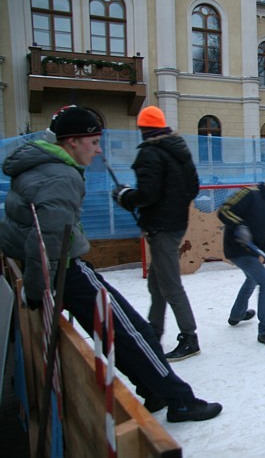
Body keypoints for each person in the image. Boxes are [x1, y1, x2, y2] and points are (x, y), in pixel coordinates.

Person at [0, 106, 222, 422]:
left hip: (149, 232)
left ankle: (174, 355)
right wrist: (36, 290)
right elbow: (46, 243)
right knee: (139, 319)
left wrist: (128, 198)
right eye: (94, 141)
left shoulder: (47, 167)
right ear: (73, 141)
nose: (99, 148)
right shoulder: (59, 175)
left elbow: (149, 193)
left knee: (156, 298)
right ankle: (174, 393)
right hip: (70, 267)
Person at [112, 106, 201, 362]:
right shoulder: (179, 150)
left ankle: (189, 336)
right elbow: (192, 188)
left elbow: (147, 195)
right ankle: (153, 333)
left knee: (170, 285)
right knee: (156, 284)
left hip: (161, 228)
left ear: (144, 129)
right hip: (173, 224)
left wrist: (124, 195)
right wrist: (172, 206)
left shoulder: (151, 153)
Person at [217, 170, 265, 348]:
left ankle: (237, 314)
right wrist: (239, 226)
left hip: (252, 251)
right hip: (237, 248)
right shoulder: (250, 193)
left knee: (252, 279)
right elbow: (224, 210)